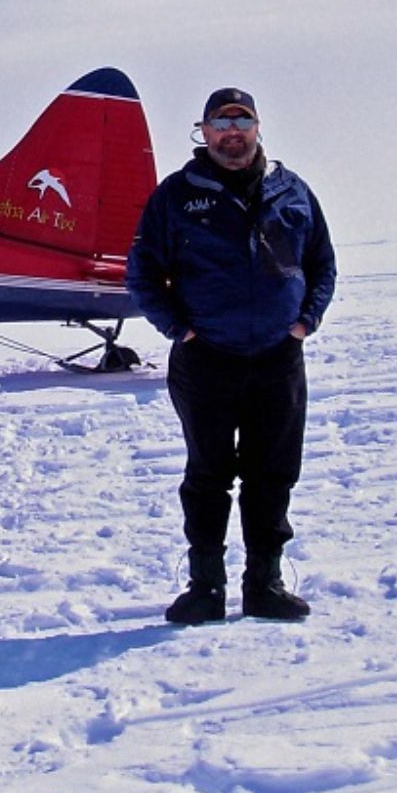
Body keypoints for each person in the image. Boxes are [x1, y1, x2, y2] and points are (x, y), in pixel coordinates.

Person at [126, 88, 336, 625]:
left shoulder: (291, 191)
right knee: (208, 474)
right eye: (221, 122)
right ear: (204, 131)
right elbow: (143, 270)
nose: (232, 132)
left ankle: (264, 584)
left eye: (241, 120)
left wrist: (304, 322)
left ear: (258, 128)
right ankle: (206, 588)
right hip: (207, 361)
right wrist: (178, 328)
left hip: (277, 359)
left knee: (273, 474)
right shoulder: (176, 196)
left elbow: (321, 263)